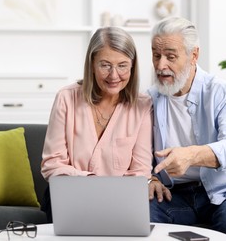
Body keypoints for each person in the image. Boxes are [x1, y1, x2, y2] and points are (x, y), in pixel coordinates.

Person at [147, 16, 226, 241]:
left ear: (194, 55)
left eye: (170, 56)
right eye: (156, 55)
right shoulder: (149, 99)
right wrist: (150, 179)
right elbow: (137, 151)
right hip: (176, 195)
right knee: (141, 218)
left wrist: (191, 155)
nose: (161, 65)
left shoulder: (221, 92)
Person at [41, 27, 153, 222]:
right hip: (69, 196)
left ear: (133, 67)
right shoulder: (66, 98)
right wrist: (92, 184)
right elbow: (52, 165)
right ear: (91, 64)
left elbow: (140, 171)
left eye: (123, 65)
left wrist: (110, 195)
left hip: (119, 201)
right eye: (105, 65)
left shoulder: (142, 106)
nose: (114, 75)